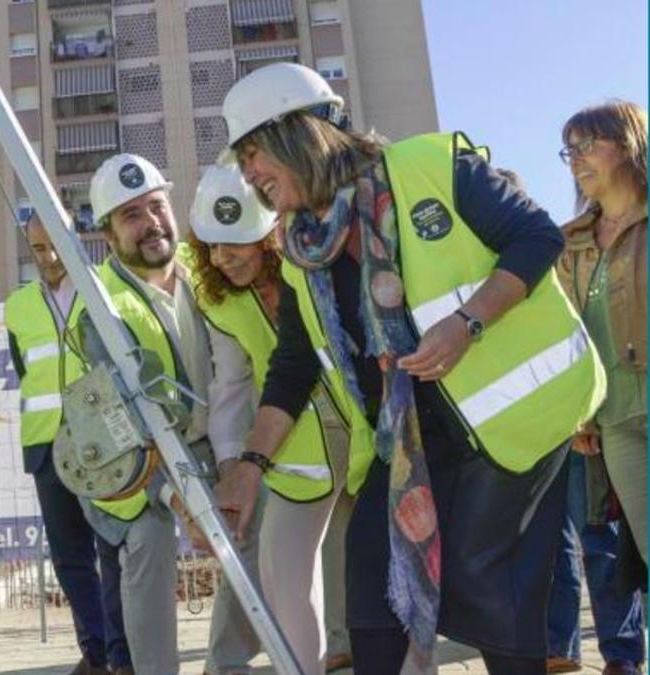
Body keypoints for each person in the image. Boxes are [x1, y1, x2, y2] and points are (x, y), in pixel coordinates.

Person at [215, 63, 604, 675]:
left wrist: (467, 324)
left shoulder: (429, 164)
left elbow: (534, 238)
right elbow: (292, 369)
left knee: (493, 595)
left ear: (301, 134)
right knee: (372, 596)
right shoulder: (300, 251)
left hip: (510, 422)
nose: (250, 174)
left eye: (254, 152)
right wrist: (249, 467)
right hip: (403, 442)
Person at [185, 165, 355, 674]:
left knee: (380, 579)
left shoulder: (319, 263)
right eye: (211, 246)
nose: (221, 258)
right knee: (283, 578)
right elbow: (231, 388)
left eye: (234, 244)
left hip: (368, 439)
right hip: (292, 448)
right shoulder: (220, 303)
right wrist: (235, 465)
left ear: (269, 234)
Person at [71, 152, 236, 674]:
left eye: (155, 206)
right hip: (136, 458)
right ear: (108, 233)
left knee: (246, 535)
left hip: (212, 439)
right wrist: (176, 496)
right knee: (148, 547)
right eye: (131, 216)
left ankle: (226, 664)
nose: (151, 224)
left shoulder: (208, 264)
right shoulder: (98, 306)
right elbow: (115, 422)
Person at [5, 214, 131, 675]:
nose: (50, 257)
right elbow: (26, 369)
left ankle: (121, 654)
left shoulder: (105, 289)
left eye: (56, 245)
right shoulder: (18, 305)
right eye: (38, 249)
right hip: (46, 445)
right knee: (69, 557)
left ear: (76, 240)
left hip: (102, 442)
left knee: (112, 548)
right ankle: (97, 652)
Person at [550, 100, 648, 675]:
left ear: (629, 144)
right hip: (615, 420)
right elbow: (569, 336)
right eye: (569, 150)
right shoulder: (572, 242)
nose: (576, 160)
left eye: (588, 145)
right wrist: (580, 415)